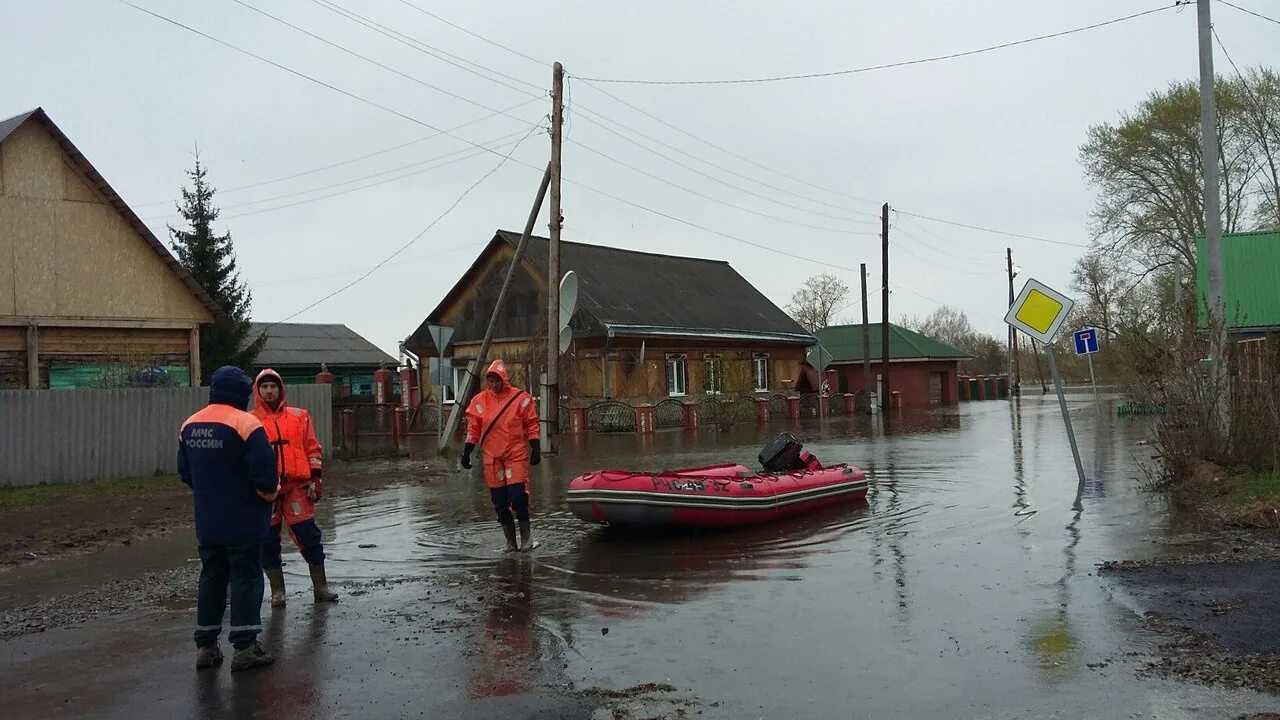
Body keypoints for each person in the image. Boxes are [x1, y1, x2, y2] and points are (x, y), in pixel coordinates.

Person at [178, 365, 279, 672]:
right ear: (242, 394)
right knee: (246, 578)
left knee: (212, 578)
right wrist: (269, 496)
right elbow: (265, 475)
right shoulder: (246, 424)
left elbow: (186, 473)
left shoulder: (190, 424)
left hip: (208, 520)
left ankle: (206, 647)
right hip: (244, 520)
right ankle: (246, 648)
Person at [252, 369, 338, 606]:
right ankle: (278, 592)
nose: (269, 391)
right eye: (265, 387)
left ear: (281, 390)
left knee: (309, 536)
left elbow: (313, 449)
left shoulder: (299, 416)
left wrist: (316, 479)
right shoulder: (250, 421)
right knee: (267, 542)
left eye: (274, 386)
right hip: (264, 492)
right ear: (257, 391)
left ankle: (321, 588)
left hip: (296, 488)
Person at [461, 359, 540, 552]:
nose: (493, 384)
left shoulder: (521, 399)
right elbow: (473, 429)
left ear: (504, 380)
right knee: (499, 502)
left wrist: (536, 446)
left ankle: (527, 539)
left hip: (515, 455)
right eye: (489, 380)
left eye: (496, 380)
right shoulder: (479, 402)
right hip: (492, 458)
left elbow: (531, 423)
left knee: (518, 497)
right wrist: (467, 451)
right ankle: (511, 543)